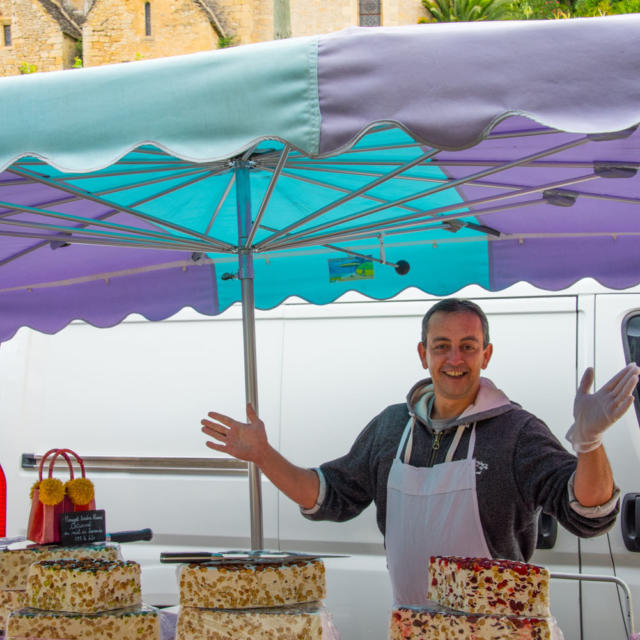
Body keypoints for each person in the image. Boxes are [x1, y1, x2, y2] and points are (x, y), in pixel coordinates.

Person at [201, 298, 640, 607]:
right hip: (412, 624)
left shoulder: (517, 432)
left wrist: (589, 444)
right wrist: (264, 456)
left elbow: (587, 513)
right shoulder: (393, 426)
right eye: (441, 345)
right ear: (422, 353)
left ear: (485, 355)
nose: (455, 358)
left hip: (496, 627)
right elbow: (331, 495)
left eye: (468, 346)